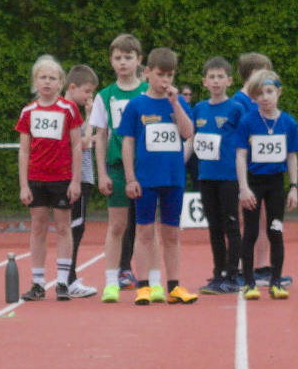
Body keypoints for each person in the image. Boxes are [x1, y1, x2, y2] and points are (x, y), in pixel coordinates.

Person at [117, 47, 197, 305]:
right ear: (148, 72)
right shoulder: (136, 105)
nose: (166, 81)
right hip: (146, 179)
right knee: (144, 232)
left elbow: (187, 133)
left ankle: (174, 287)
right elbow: (127, 143)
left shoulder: (178, 102)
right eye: (161, 75)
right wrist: (130, 178)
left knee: (172, 234)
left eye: (170, 75)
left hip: (174, 178)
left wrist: (175, 104)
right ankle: (144, 286)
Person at [14, 55, 82, 300]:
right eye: (42, 77)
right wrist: (23, 185)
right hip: (36, 178)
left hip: (62, 178)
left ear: (60, 82)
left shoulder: (68, 109)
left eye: (52, 78)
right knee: (38, 227)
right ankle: (38, 282)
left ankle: (63, 281)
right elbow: (24, 149)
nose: (47, 82)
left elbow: (76, 146)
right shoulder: (28, 112)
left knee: (64, 227)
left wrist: (75, 181)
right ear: (35, 81)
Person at [88, 34, 147, 303]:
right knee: (117, 225)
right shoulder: (105, 96)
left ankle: (150, 280)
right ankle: (112, 280)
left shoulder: (148, 92)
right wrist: (102, 172)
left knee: (147, 227)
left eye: (128, 57)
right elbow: (100, 135)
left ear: (139, 60)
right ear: (111, 62)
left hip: (146, 166)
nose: (122, 62)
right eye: (117, 58)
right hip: (117, 168)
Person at [235, 70, 298, 300]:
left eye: (269, 92)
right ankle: (249, 282)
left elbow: (292, 156)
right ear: (254, 97)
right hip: (254, 183)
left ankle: (276, 282)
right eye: (260, 94)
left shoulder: (289, 123)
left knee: (276, 232)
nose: (265, 97)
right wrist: (243, 187)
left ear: (279, 92)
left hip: (276, 184)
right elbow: (241, 155)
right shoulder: (247, 121)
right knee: (251, 232)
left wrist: (294, 186)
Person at [191, 57, 245, 294]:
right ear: (204, 81)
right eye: (211, 77)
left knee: (231, 224)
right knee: (213, 226)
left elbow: (245, 142)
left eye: (220, 76)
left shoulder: (236, 108)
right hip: (206, 175)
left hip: (229, 176)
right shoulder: (199, 108)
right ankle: (218, 273)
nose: (215, 81)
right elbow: (192, 140)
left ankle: (233, 274)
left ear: (229, 80)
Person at [58, 65, 100, 297]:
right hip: (77, 177)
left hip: (80, 176)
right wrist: (91, 116)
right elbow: (82, 143)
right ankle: (69, 278)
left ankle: (68, 276)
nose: (89, 97)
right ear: (72, 88)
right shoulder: (71, 110)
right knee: (75, 227)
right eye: (87, 91)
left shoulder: (70, 111)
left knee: (76, 227)